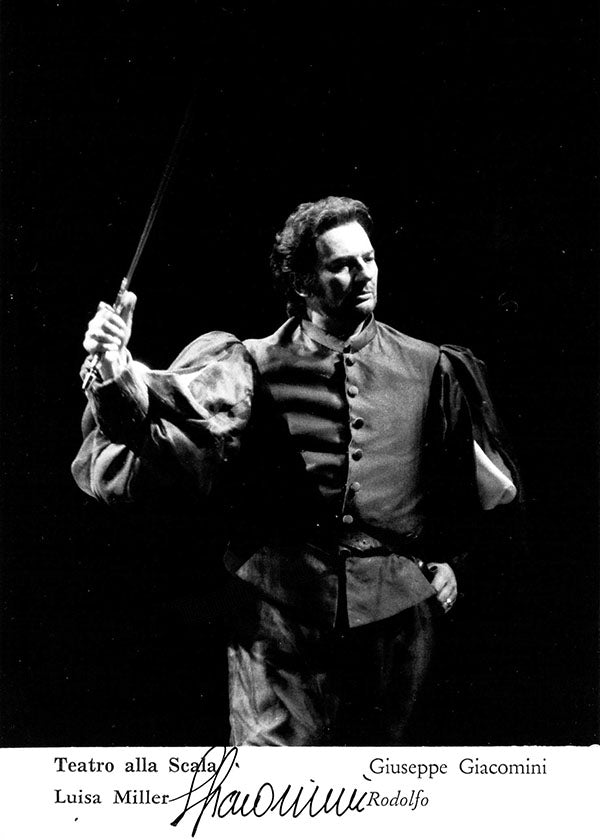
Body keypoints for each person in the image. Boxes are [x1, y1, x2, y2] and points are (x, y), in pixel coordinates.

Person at [72, 196, 518, 746]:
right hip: (277, 616)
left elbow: (471, 486)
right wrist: (114, 369)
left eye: (369, 259)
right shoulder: (249, 363)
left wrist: (452, 561)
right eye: (341, 265)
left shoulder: (431, 366)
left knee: (389, 785)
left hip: (397, 621)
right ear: (302, 283)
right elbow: (160, 421)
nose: (363, 275)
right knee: (273, 783)